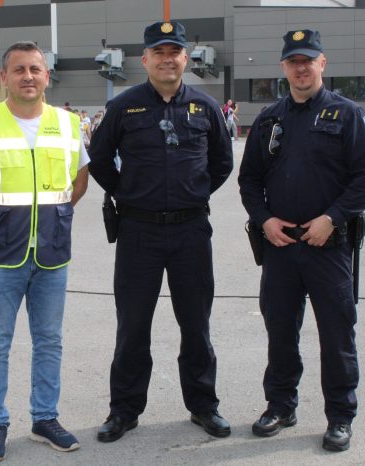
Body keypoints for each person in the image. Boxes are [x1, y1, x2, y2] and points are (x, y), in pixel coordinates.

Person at [88, 21, 234, 443]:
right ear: (145, 59)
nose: (167, 60)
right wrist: (128, 193)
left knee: (196, 325)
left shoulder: (205, 107)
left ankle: (203, 406)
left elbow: (222, 163)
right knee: (133, 326)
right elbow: (99, 160)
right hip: (139, 232)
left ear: (185, 58)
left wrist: (194, 192)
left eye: (174, 52)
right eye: (159, 52)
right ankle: (124, 410)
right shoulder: (124, 107)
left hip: (191, 231)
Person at [0, 40, 89, 463]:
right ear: (3, 77)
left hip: (51, 255)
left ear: (47, 76)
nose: (28, 76)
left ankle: (45, 418)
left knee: (49, 341)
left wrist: (53, 216)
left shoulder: (68, 124)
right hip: (1, 257)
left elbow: (80, 179)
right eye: (19, 69)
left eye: (35, 69)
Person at [238, 29, 365, 452]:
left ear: (322, 63)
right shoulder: (269, 119)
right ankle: (281, 406)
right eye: (293, 61)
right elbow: (249, 180)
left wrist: (332, 219)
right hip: (280, 246)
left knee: (337, 335)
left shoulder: (347, 114)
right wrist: (264, 220)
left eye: (308, 60)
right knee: (280, 332)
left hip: (327, 247)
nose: (301, 68)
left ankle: (340, 416)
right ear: (284, 67)